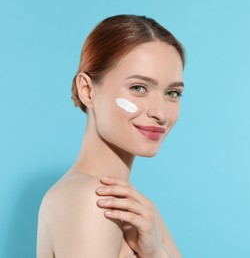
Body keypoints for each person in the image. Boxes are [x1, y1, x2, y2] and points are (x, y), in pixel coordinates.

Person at [37, 14, 185, 258]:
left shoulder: (140, 211)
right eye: (138, 88)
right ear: (87, 90)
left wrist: (156, 252)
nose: (160, 113)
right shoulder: (92, 200)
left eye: (172, 93)